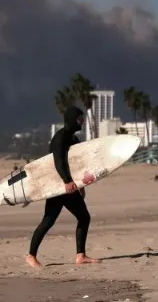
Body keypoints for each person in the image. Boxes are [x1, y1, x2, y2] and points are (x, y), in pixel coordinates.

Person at [25, 105, 99, 269]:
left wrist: (81, 184)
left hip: (69, 186)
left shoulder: (73, 139)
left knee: (81, 217)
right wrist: (67, 181)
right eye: (79, 119)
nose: (81, 122)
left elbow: (77, 164)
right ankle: (31, 256)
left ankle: (81, 255)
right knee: (50, 220)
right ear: (72, 119)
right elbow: (58, 161)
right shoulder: (60, 137)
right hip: (59, 186)